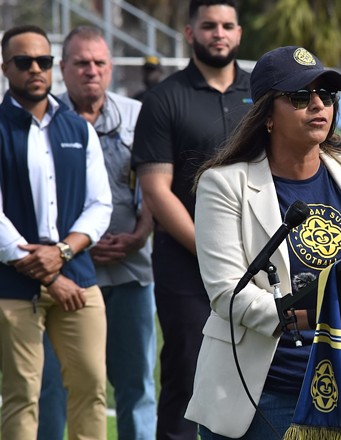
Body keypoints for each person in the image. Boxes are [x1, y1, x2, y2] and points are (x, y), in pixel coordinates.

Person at [184, 45, 341, 440]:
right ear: (267, 116)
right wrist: (309, 315)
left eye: (326, 95)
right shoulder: (224, 184)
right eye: (299, 97)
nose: (317, 105)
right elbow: (228, 294)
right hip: (265, 394)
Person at [131, 0, 251, 438]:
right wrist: (211, 249)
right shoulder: (163, 99)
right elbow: (156, 189)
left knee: (258, 374)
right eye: (208, 26)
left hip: (258, 263)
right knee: (187, 372)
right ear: (189, 33)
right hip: (186, 264)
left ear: (239, 34)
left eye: (226, 26)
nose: (217, 33)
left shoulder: (264, 97)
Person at [36, 25, 157, 440]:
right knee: (50, 386)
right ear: (63, 68)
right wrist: (66, 252)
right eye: (82, 63)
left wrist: (140, 234)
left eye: (99, 63)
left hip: (131, 268)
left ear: (110, 68)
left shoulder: (138, 115)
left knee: (137, 383)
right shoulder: (43, 119)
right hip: (62, 275)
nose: (92, 70)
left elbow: (156, 186)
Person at [0, 24, 112, 439]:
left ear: (52, 67)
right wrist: (48, 273)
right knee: (22, 396)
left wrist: (62, 254)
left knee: (91, 390)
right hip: (13, 284)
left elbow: (100, 205)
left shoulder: (78, 129)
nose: (35, 69)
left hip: (79, 281)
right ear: (5, 67)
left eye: (43, 61)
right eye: (23, 61)